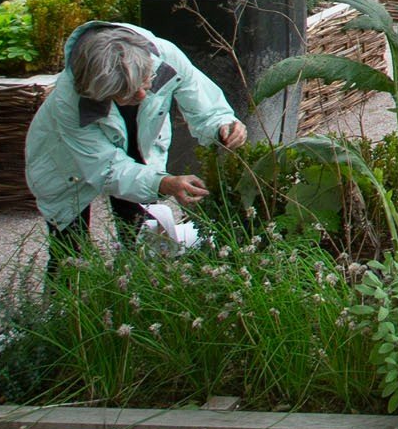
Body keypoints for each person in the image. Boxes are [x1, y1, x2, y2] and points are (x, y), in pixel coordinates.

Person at [25, 21, 246, 254]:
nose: (142, 95)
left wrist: (222, 124)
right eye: (127, 91)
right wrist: (162, 183)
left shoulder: (164, 55)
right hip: (66, 163)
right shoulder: (69, 103)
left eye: (145, 80)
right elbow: (106, 169)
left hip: (136, 146)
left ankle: (130, 281)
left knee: (140, 238)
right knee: (69, 251)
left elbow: (199, 96)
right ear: (97, 92)